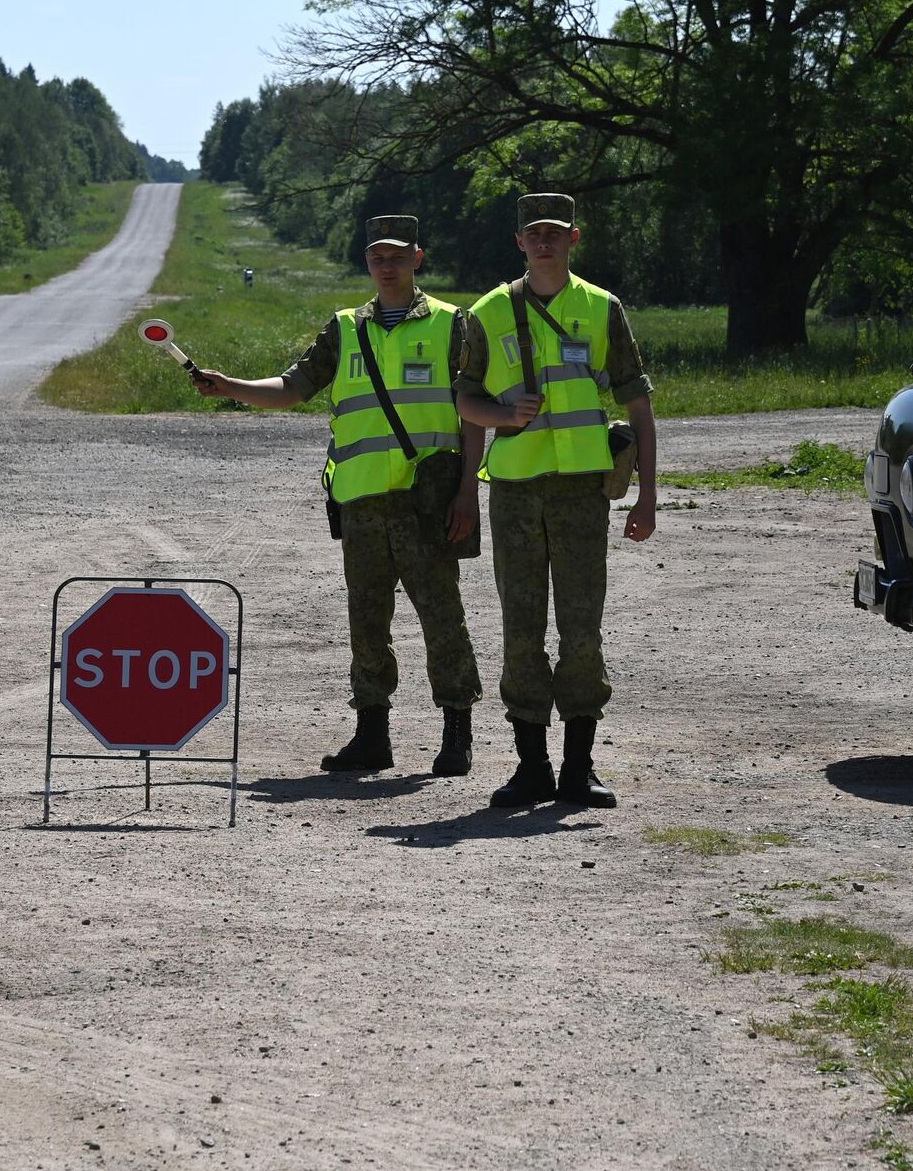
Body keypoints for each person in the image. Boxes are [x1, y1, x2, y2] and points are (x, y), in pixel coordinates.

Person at [192, 215, 484, 776]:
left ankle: (457, 732)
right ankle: (372, 734)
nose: (387, 265)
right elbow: (292, 388)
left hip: (428, 502)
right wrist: (231, 386)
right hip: (361, 502)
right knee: (366, 620)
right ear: (367, 262)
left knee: (442, 616)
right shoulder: (345, 327)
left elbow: (474, 413)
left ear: (417, 257)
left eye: (397, 255)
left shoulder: (454, 325)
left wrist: (469, 491)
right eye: (377, 256)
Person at [455, 192, 657, 809]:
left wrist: (648, 495)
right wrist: (500, 415)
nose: (544, 242)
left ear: (574, 238)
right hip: (515, 491)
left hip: (580, 493)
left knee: (581, 630)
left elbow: (638, 405)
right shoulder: (487, 312)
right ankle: (531, 766)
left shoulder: (602, 308)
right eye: (533, 233)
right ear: (519, 242)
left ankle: (579, 768)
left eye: (555, 232)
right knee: (521, 628)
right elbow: (463, 400)